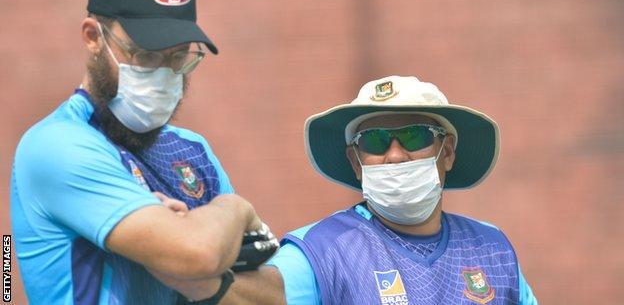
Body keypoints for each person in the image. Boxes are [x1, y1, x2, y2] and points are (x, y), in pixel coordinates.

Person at [10, 0, 276, 304]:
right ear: (93, 37)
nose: (165, 74)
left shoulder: (192, 149)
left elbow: (274, 294)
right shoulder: (55, 146)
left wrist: (205, 282)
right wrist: (234, 209)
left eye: (179, 57)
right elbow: (197, 252)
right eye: (147, 56)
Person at [217, 75, 538, 304]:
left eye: (415, 136)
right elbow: (255, 297)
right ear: (356, 162)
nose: (396, 155)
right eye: (375, 141)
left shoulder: (492, 248)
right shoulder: (322, 250)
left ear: (448, 151)